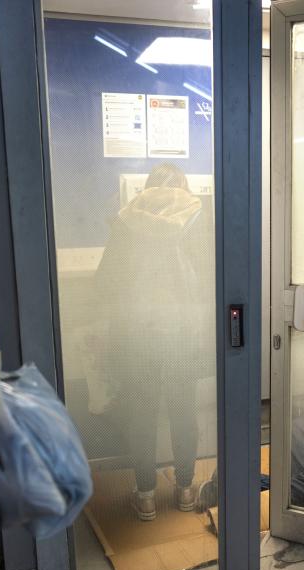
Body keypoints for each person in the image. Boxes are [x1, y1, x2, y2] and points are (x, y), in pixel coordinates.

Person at [93, 163, 214, 521]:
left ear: (145, 189)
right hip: (183, 335)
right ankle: (186, 490)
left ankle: (145, 495)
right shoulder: (197, 218)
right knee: (182, 411)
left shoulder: (127, 221)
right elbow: (210, 277)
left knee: (142, 414)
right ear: (184, 187)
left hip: (139, 336)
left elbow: (104, 282)